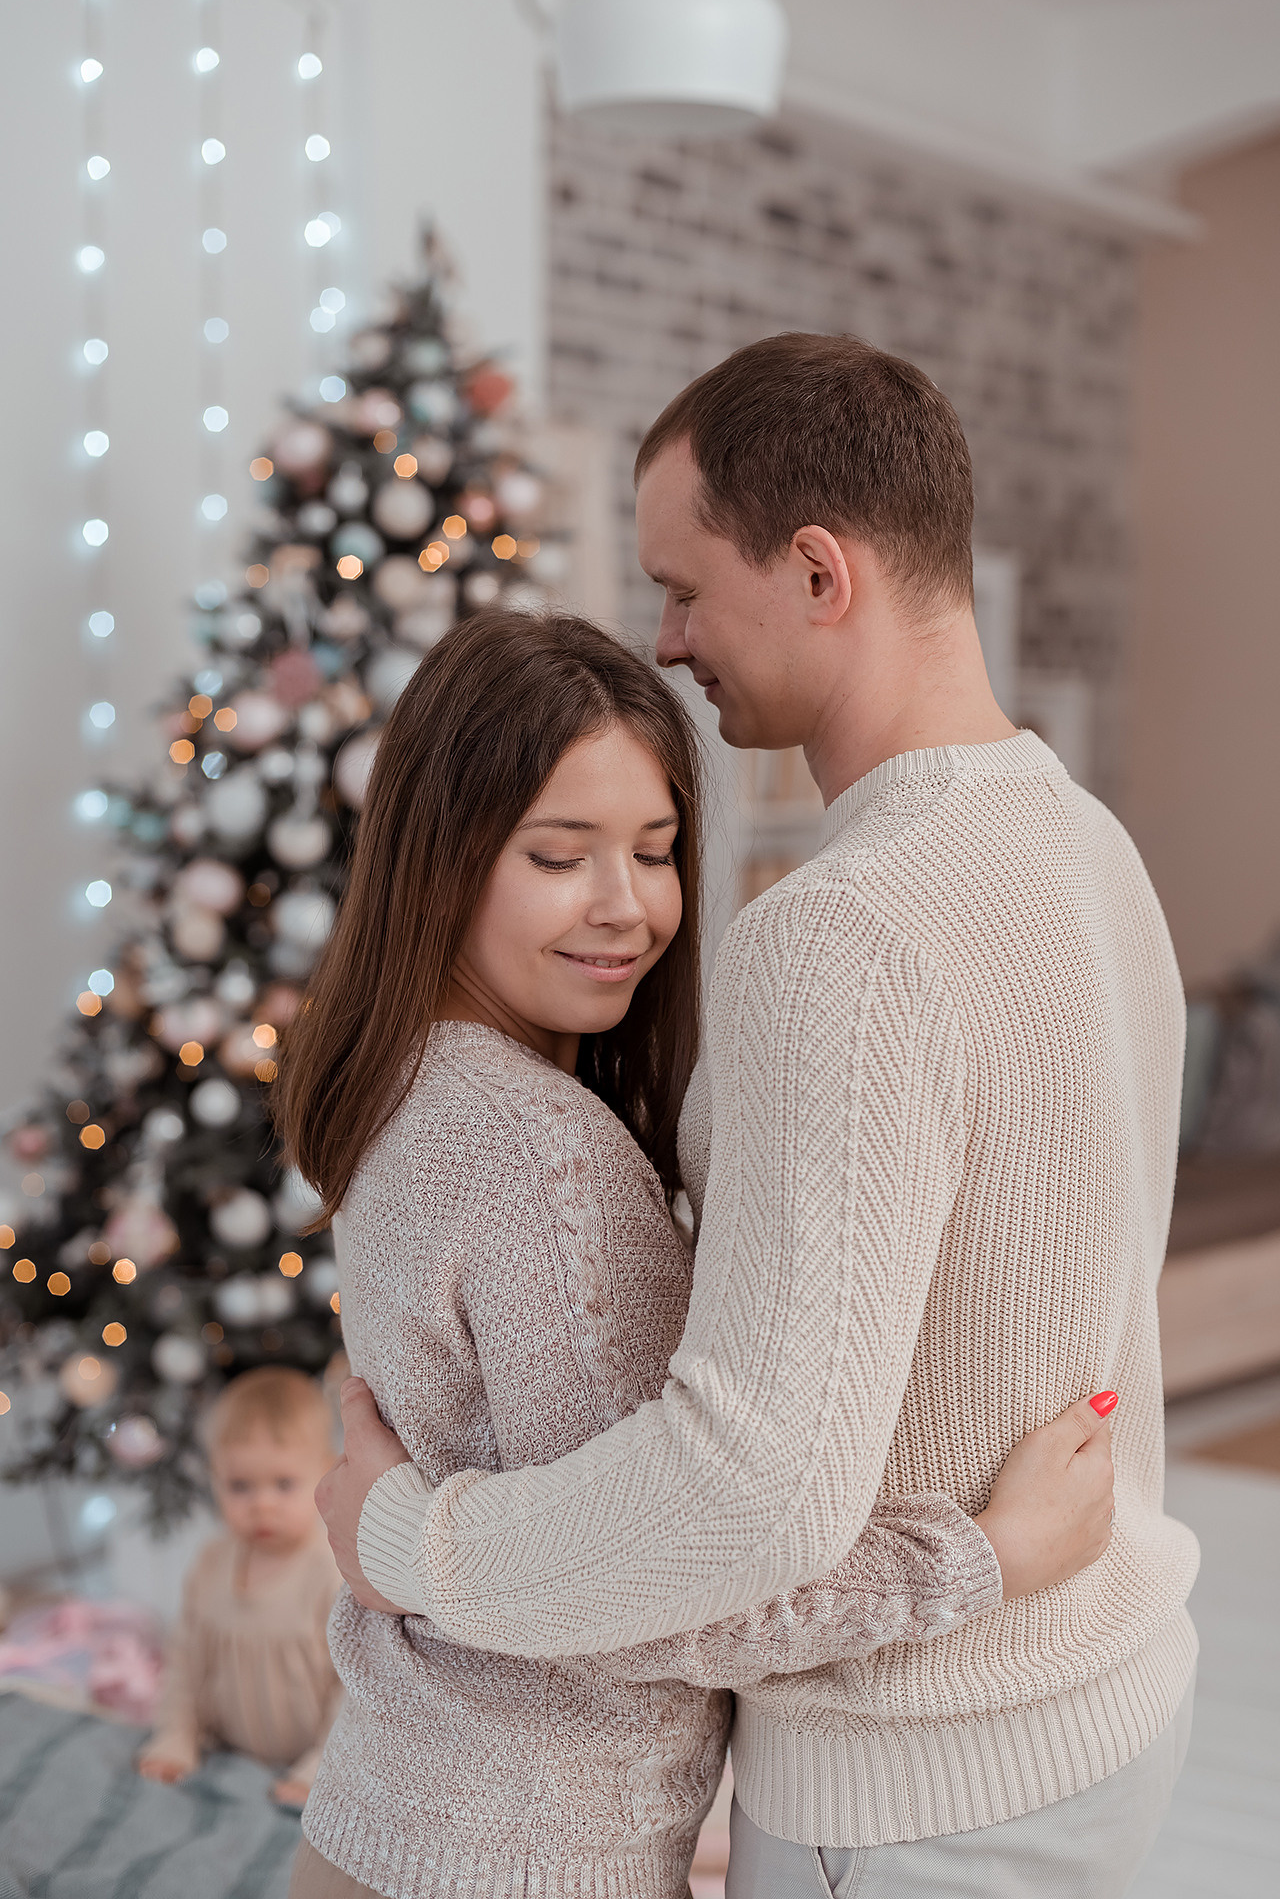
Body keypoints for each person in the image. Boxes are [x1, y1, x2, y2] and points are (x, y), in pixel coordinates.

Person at [321, 336, 1200, 1899]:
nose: (666, 640)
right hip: (1112, 1690)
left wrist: (405, 1542)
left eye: (683, 588)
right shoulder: (1087, 841)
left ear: (815, 571)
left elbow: (745, 1491)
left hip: (922, 1766)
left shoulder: (840, 931)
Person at [137, 1366, 343, 1807]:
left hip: (314, 1760)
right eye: (240, 1486)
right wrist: (176, 1736)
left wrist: (321, 1769)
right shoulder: (212, 1562)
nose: (262, 1505)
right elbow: (185, 1661)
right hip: (226, 1751)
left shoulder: (330, 1572)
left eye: (284, 1484)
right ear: (215, 1478)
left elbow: (354, 1693)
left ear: (324, 1473)